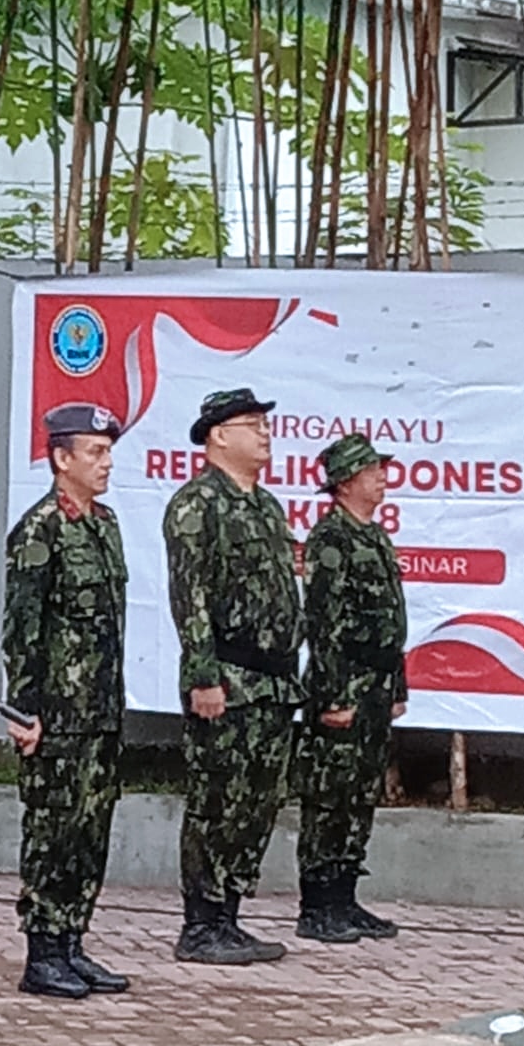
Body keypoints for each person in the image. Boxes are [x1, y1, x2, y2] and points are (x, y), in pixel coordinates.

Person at [163, 387, 303, 966]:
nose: (265, 433)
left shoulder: (266, 506)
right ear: (219, 435)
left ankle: (229, 916)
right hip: (227, 675)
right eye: (253, 424)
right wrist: (203, 675)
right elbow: (189, 595)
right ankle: (200, 923)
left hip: (272, 680)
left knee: (257, 802)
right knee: (216, 801)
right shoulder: (196, 505)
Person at [3, 402, 130, 1000]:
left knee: (89, 833)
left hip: (99, 711)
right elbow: (21, 629)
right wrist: (23, 709)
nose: (105, 463)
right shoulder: (39, 532)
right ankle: (43, 952)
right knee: (53, 833)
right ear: (60, 458)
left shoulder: (103, 526)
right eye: (94, 453)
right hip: (56, 715)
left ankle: (73, 941)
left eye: (108, 452)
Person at [295, 434, 407, 943]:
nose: (382, 477)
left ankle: (345, 896)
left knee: (361, 795)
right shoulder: (330, 541)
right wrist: (334, 697)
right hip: (344, 686)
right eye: (371, 470)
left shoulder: (375, 538)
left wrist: (397, 684)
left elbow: (392, 621)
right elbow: (325, 626)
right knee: (330, 796)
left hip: (377, 687)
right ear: (344, 483)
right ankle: (317, 905)